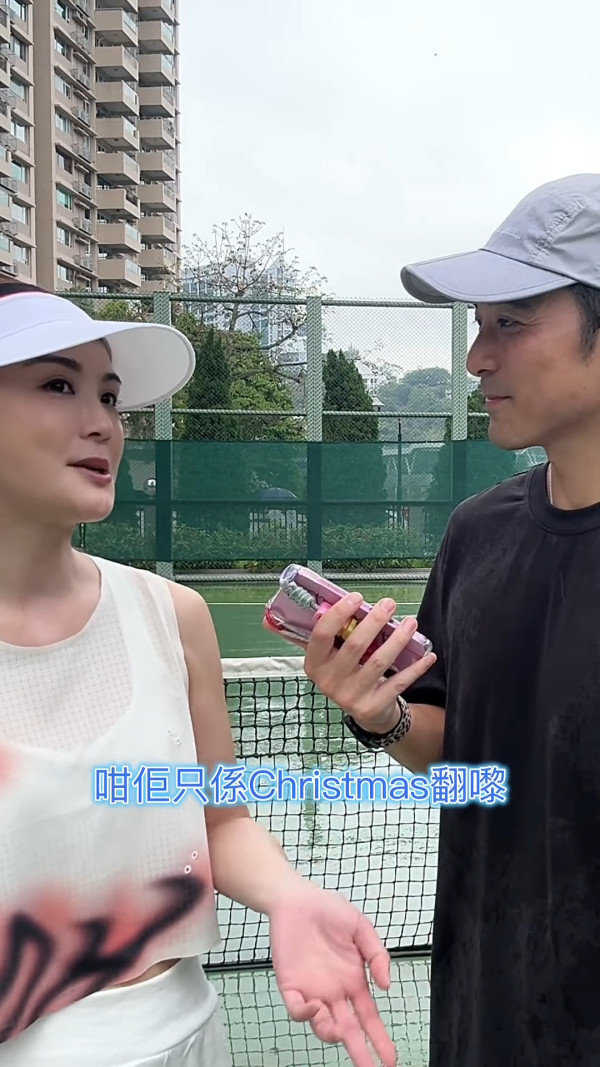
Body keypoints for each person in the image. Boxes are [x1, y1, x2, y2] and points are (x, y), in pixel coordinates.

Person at [0, 279, 397, 1067]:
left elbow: (220, 820)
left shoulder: (172, 615)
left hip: (188, 1036)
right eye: (58, 385)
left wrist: (291, 894)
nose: (103, 423)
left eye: (110, 396)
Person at [302, 172, 600, 1066]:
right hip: (482, 1018)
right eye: (479, 325)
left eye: (511, 322)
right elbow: (461, 757)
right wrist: (381, 710)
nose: (477, 358)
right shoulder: (478, 532)